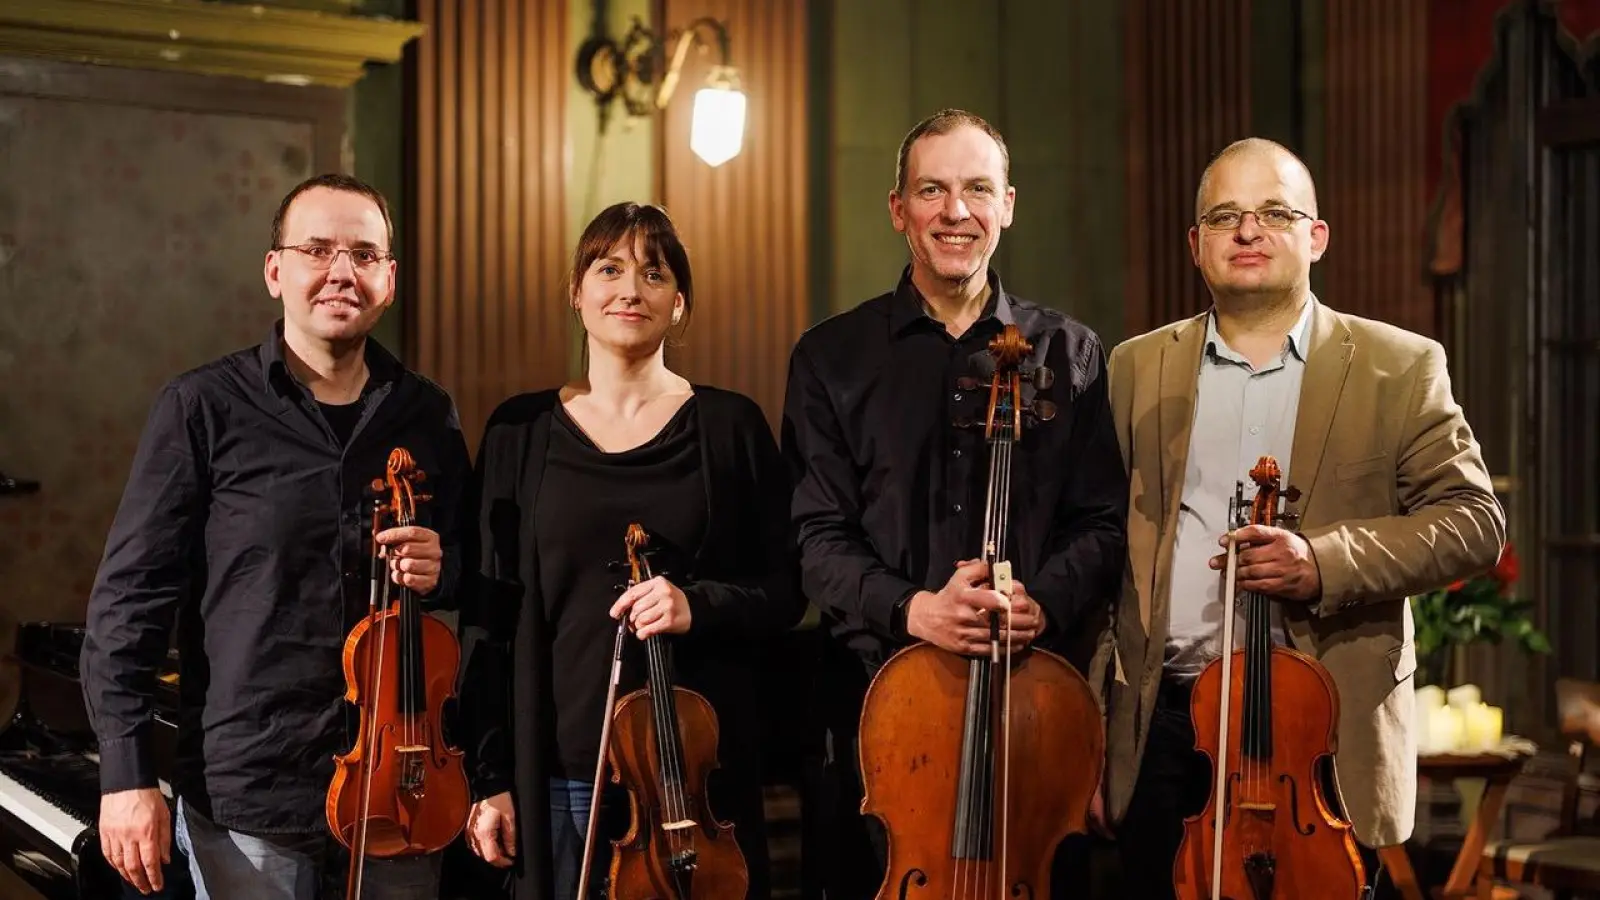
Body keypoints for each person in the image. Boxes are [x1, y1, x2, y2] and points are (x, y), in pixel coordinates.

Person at [1094, 138, 1507, 899]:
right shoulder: (1133, 367)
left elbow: (1475, 520)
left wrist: (1325, 562)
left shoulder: (1399, 366)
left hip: (1321, 736)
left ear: (1316, 236)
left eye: (1274, 212)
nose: (1247, 231)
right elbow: (1104, 556)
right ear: (1196, 245)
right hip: (1166, 725)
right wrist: (1097, 732)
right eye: (1225, 216)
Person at [82, 173, 471, 899]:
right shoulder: (202, 407)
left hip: (403, 794)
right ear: (275, 271)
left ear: (388, 278)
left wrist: (443, 566)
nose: (340, 273)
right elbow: (127, 602)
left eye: (362, 254)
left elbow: (471, 574)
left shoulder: (426, 415)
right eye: (317, 250)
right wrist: (126, 775)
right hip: (252, 795)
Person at [781, 108, 1128, 898]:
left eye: (977, 189)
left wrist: (1045, 600)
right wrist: (914, 611)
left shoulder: (1070, 355)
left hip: (1032, 717)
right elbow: (814, 537)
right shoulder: (832, 358)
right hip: (876, 720)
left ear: (1008, 203)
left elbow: (1103, 523)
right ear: (898, 209)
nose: (955, 211)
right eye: (931, 190)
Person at [457, 201, 803, 900]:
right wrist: (491, 777)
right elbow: (482, 620)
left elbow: (788, 590)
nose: (629, 289)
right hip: (553, 780)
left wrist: (696, 606)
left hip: (687, 793)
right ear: (577, 292)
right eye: (608, 268)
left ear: (679, 302)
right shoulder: (517, 433)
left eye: (653, 272)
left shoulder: (730, 427)